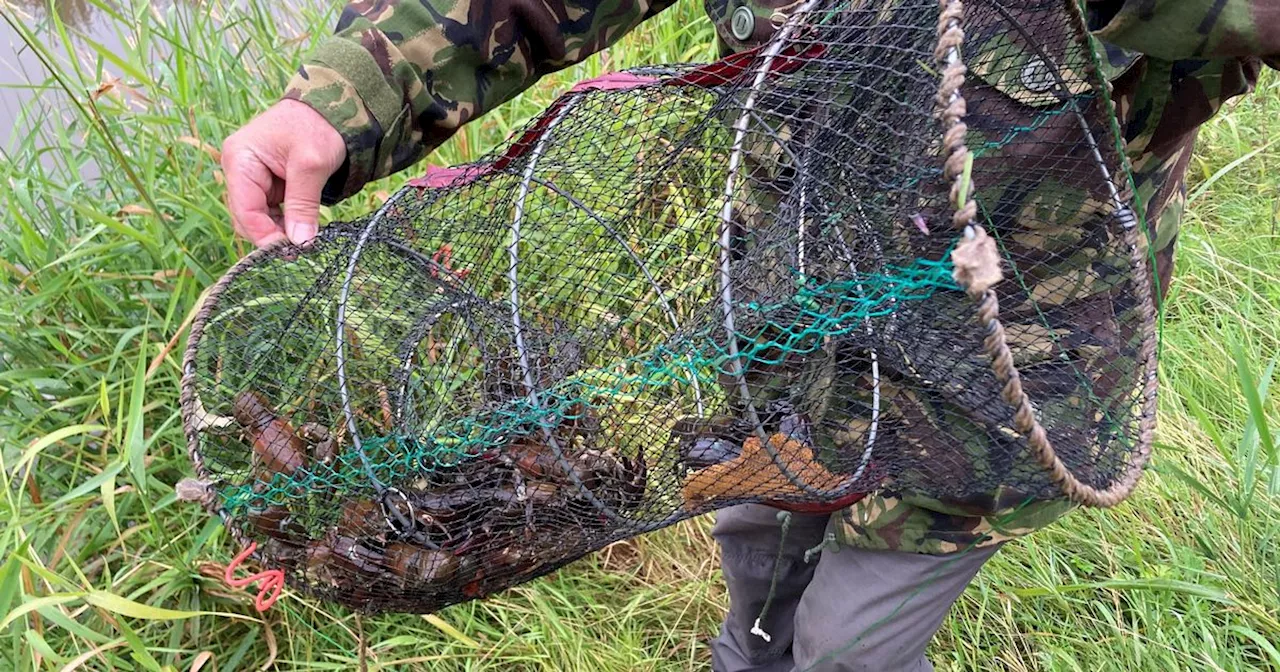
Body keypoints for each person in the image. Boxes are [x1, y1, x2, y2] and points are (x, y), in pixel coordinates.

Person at [219, 1, 1279, 669]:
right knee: (750, 533)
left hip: (998, 370)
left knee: (850, 644)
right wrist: (345, 101)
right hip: (781, 313)